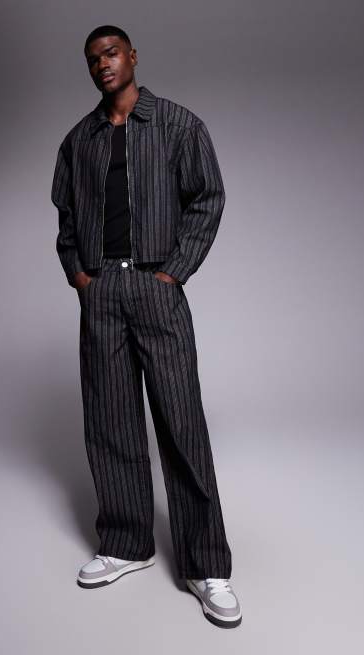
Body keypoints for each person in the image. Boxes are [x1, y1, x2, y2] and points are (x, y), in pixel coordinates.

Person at [51, 24, 242, 628]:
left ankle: (206, 564)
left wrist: (173, 273)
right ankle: (127, 542)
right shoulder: (78, 140)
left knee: (181, 421)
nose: (102, 65)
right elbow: (65, 218)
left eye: (111, 54)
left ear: (132, 56)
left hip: (157, 287)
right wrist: (81, 277)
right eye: (93, 60)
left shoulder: (178, 125)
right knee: (110, 421)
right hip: (102, 291)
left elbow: (208, 198)